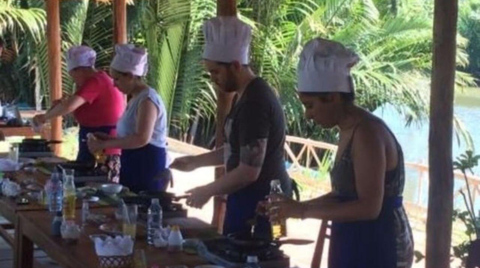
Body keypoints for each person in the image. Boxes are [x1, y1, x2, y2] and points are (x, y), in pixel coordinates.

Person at [264, 38, 414, 268]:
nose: (308, 115)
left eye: (310, 105)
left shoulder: (367, 134)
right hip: (355, 233)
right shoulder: (348, 129)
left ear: (333, 97)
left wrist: (303, 210)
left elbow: (369, 207)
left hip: (378, 240)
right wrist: (291, 207)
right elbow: (343, 194)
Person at [170, 16, 292, 239]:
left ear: (235, 65)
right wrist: (197, 162)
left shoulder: (255, 102)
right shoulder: (243, 95)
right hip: (247, 195)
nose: (212, 79)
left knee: (255, 258)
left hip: (264, 201)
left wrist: (207, 190)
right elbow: (238, 148)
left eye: (216, 72)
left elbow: (249, 170)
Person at [33, 46, 125, 182]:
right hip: (90, 137)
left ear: (80, 70)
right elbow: (76, 108)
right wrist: (60, 106)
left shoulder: (95, 81)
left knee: (97, 185)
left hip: (104, 143)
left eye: (72, 74)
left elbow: (69, 106)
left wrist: (44, 118)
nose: (73, 79)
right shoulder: (94, 80)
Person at [87, 44, 170, 193]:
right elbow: (131, 135)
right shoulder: (136, 98)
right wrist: (107, 140)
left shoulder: (147, 100)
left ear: (130, 76)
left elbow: (142, 138)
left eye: (117, 79)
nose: (114, 84)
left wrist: (104, 144)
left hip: (146, 165)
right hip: (133, 162)